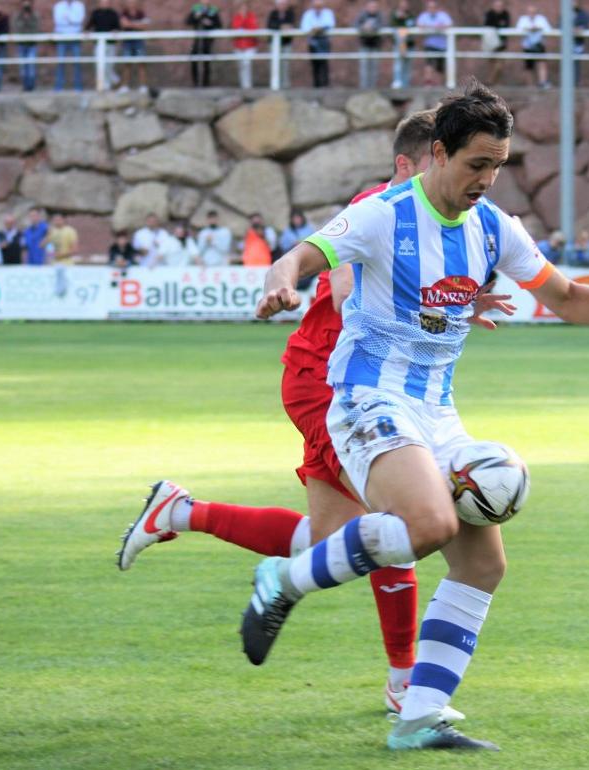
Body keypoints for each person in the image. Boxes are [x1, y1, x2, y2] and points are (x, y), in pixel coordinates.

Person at [231, 82, 589, 752]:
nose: (486, 180)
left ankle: (418, 718)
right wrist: (281, 281)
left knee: (482, 564)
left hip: (436, 412)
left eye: (497, 166)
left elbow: (571, 300)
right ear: (438, 153)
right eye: (475, 164)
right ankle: (281, 580)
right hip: (365, 399)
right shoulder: (383, 213)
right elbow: (305, 254)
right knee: (429, 524)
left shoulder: (496, 228)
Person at [119, 111, 458, 722]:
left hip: (344, 383)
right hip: (332, 384)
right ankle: (406, 684)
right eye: (443, 163)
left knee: (330, 542)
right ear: (409, 164)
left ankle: (178, 510)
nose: (452, 179)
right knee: (400, 524)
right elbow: (349, 286)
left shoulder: (435, 220)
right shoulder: (377, 205)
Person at [87, 0, 122, 90]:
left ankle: (110, 83)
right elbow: (89, 25)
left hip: (110, 43)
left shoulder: (113, 14)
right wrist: (87, 31)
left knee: (109, 65)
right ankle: (110, 82)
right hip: (99, 44)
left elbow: (117, 27)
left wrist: (115, 31)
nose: (105, 4)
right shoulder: (96, 13)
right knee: (100, 64)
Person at [416, 0, 452, 87]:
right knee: (429, 64)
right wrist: (430, 27)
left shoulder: (443, 16)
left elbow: (449, 24)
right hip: (430, 44)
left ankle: (439, 85)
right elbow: (419, 25)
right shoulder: (424, 16)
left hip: (441, 45)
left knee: (440, 67)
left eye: (433, 7)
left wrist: (441, 27)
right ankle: (428, 83)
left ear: (437, 8)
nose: (432, 9)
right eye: (430, 7)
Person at [187, 1, 222, 88]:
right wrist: (196, 17)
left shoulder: (213, 11)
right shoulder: (196, 9)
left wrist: (210, 23)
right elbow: (188, 21)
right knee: (194, 60)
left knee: (207, 62)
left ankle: (205, 84)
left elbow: (219, 25)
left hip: (208, 40)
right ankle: (196, 83)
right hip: (198, 40)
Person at [53, 0, 85, 91]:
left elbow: (79, 20)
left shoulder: (79, 5)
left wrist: (68, 18)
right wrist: (73, 19)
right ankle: (59, 87)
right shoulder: (58, 6)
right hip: (62, 36)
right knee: (60, 62)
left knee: (77, 62)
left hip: (75, 36)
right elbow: (58, 21)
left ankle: (78, 87)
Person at [299, 0, 333, 88]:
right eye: (316, 7)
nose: (318, 9)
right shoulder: (308, 14)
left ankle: (325, 85)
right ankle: (316, 86)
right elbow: (305, 28)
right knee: (315, 64)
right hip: (313, 42)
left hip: (324, 42)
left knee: (324, 63)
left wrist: (319, 28)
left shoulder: (328, 13)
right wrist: (314, 29)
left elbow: (330, 24)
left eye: (320, 7)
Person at [517, 4, 551, 88]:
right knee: (529, 66)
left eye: (533, 12)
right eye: (530, 12)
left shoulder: (541, 19)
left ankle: (542, 82)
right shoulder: (523, 19)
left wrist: (538, 28)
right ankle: (530, 85)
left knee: (542, 63)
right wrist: (528, 28)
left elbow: (549, 29)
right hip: (527, 46)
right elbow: (518, 30)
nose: (531, 13)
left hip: (539, 44)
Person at [118, 0, 149, 92]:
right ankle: (125, 86)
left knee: (141, 63)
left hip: (139, 42)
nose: (131, 3)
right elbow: (123, 24)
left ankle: (143, 86)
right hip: (127, 42)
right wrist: (137, 24)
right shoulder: (124, 13)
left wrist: (130, 24)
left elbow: (145, 26)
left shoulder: (141, 14)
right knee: (126, 64)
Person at [266, 0, 296, 88]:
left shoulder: (290, 13)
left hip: (286, 43)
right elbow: (270, 25)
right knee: (274, 65)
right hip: (274, 44)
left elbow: (291, 25)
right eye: (281, 4)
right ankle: (275, 85)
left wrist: (281, 26)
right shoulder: (273, 14)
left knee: (285, 64)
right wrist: (281, 26)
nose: (283, 6)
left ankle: (285, 85)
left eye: (284, 4)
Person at [230, 0, 260, 89]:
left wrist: (245, 21)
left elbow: (254, 28)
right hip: (239, 46)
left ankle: (248, 86)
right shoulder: (236, 17)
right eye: (241, 8)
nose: (243, 10)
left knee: (247, 64)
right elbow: (235, 28)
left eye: (245, 8)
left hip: (250, 46)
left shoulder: (251, 17)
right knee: (241, 66)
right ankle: (242, 85)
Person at [356, 0, 384, 89]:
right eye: (371, 6)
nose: (373, 9)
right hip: (365, 45)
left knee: (374, 69)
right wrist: (363, 27)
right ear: (367, 7)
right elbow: (355, 25)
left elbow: (382, 25)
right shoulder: (362, 15)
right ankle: (364, 89)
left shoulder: (379, 15)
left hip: (375, 45)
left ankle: (373, 89)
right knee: (364, 69)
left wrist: (373, 27)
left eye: (374, 7)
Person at [13, 0, 39, 91]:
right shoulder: (18, 16)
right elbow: (16, 29)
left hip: (32, 44)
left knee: (31, 66)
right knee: (23, 67)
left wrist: (28, 21)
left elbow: (36, 29)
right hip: (21, 44)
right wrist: (24, 22)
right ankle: (25, 86)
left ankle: (31, 86)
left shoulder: (35, 16)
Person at [482, 0, 509, 85]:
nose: (499, 8)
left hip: (501, 44)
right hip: (491, 43)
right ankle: (491, 83)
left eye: (500, 6)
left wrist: (497, 24)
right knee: (491, 64)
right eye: (497, 6)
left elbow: (506, 25)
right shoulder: (489, 14)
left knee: (500, 65)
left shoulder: (505, 14)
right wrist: (498, 24)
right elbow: (488, 24)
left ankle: (490, 82)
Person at [390, 2, 414, 87]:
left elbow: (412, 26)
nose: (404, 7)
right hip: (398, 44)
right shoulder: (394, 15)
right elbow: (392, 25)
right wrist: (399, 18)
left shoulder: (411, 15)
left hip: (409, 44)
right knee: (398, 64)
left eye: (405, 5)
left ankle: (406, 84)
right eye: (402, 5)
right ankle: (397, 83)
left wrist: (405, 18)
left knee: (408, 65)